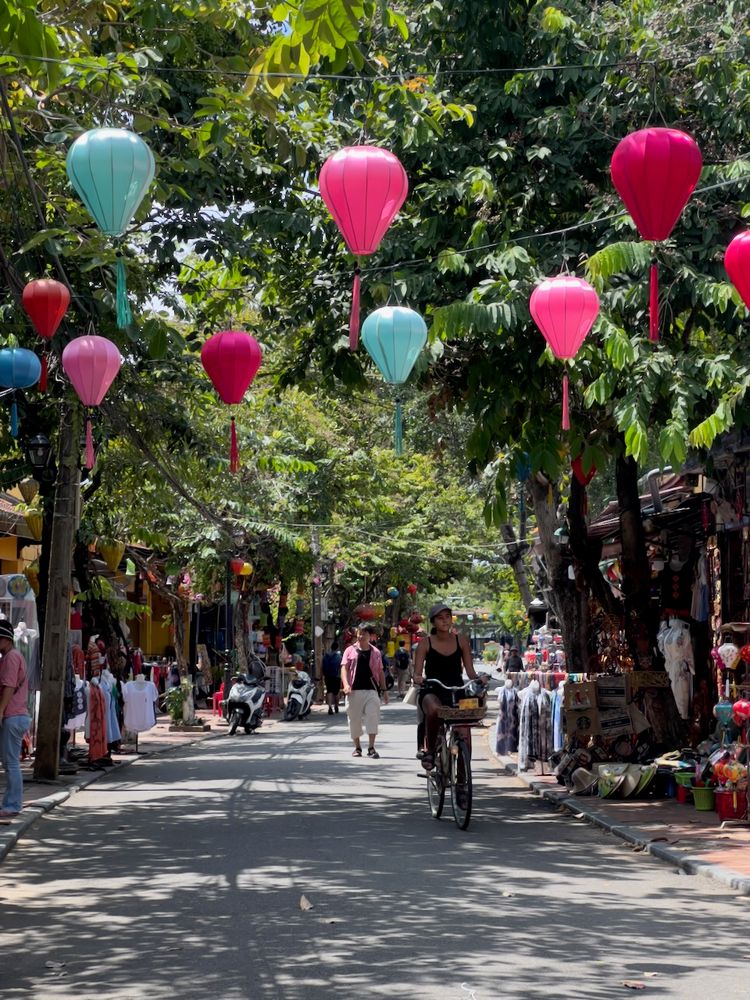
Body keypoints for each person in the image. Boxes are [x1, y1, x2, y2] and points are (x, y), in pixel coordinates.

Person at [413, 602, 477, 771]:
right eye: (440, 618)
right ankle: (431, 751)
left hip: (456, 690)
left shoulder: (461, 640)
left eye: (447, 617)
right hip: (432, 690)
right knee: (434, 709)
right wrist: (418, 678)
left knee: (465, 728)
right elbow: (417, 673)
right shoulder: (425, 643)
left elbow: (471, 672)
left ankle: (463, 778)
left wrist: (479, 679)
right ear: (433, 622)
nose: (445, 621)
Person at [340, 624, 388, 759]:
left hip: (371, 690)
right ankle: (357, 747)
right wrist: (346, 684)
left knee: (372, 716)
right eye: (359, 634)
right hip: (353, 691)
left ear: (370, 636)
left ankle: (371, 747)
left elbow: (380, 671)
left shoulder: (376, 652)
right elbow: (344, 668)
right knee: (354, 720)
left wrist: (384, 690)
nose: (361, 636)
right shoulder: (349, 650)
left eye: (364, 634)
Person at [0, 619, 30, 818]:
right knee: (9, 762)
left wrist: (0, 710)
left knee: (10, 762)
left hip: (13, 715)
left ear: (6, 639)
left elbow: (9, 686)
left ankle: (12, 804)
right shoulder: (12, 656)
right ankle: (11, 802)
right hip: (17, 715)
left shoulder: (11, 657)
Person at [322, 642, 343, 714]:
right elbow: (341, 667)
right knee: (336, 692)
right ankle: (336, 706)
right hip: (336, 676)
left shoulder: (326, 656)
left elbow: (322, 666)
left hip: (328, 676)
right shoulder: (339, 657)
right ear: (337, 648)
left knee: (329, 691)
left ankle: (330, 707)